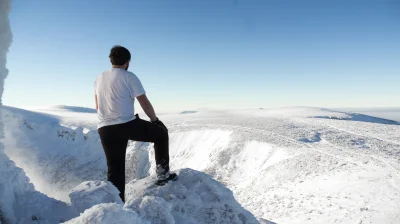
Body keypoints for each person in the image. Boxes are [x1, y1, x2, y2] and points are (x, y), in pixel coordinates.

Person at [94, 45, 177, 202]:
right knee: (161, 135)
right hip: (125, 124)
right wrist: (155, 121)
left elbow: (98, 105)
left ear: (110, 60)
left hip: (104, 128)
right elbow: (144, 102)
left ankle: (117, 209)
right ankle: (163, 175)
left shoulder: (99, 78)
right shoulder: (128, 76)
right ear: (127, 62)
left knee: (115, 170)